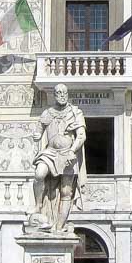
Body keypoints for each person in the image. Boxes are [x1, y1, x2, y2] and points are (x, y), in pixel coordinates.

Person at [30, 83, 87, 233]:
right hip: (50, 153)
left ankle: (59, 226)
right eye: (59, 93)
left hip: (68, 154)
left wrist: (72, 151)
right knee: (39, 174)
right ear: (54, 95)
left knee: (66, 191)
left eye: (64, 93)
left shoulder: (75, 113)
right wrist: (37, 135)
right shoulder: (47, 113)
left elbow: (81, 136)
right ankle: (38, 204)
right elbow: (39, 129)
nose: (62, 95)